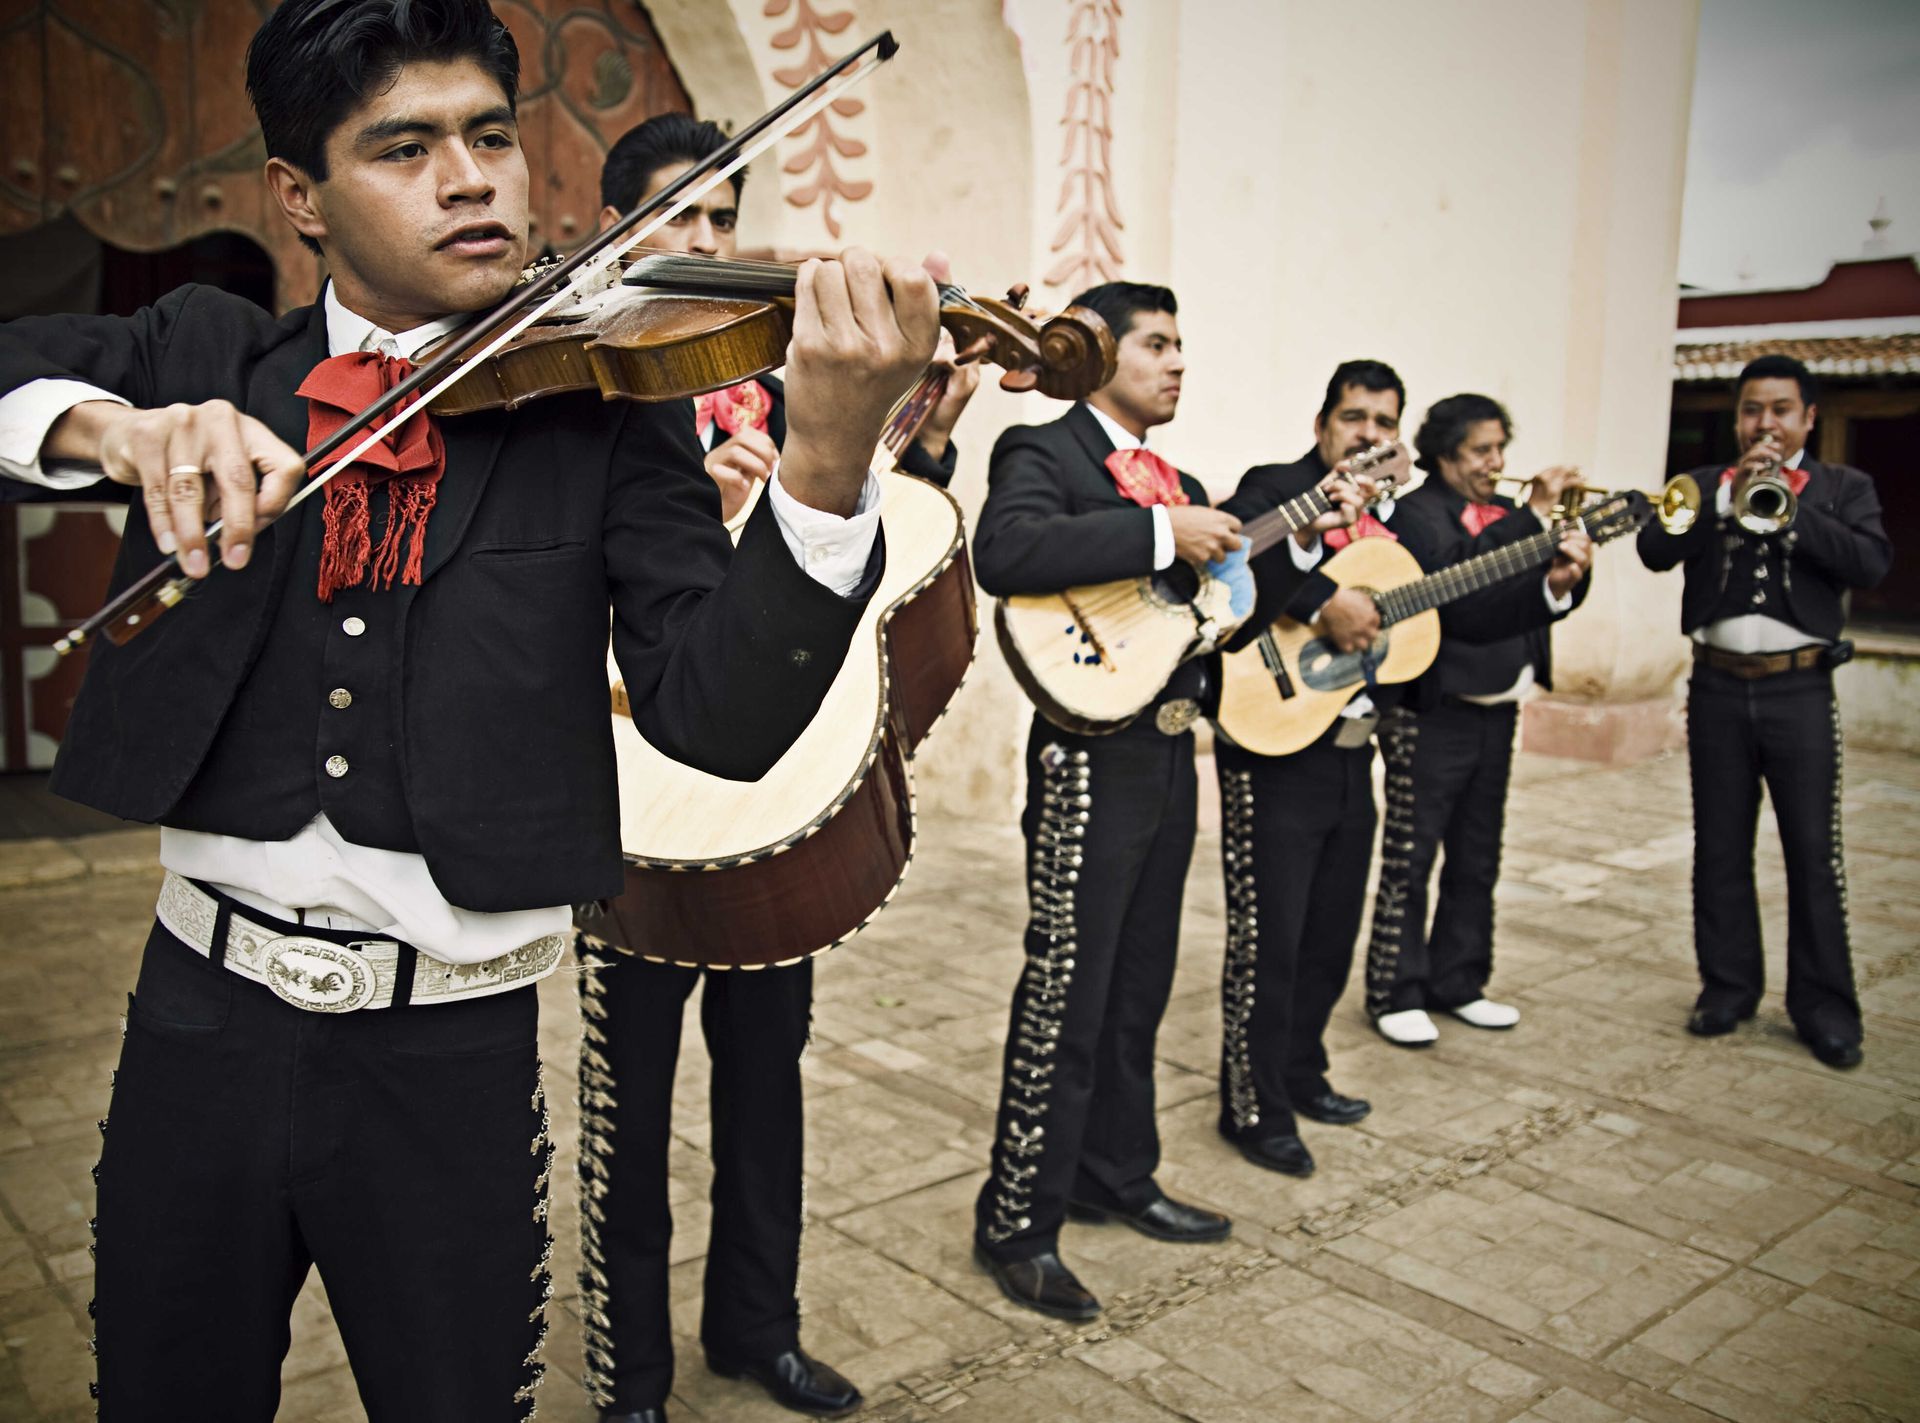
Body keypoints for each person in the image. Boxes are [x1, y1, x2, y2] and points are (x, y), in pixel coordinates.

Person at [0, 3, 939, 1416]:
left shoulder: (610, 406)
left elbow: (719, 720)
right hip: (201, 1024)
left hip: (452, 1053)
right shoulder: (205, 353)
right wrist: (114, 431)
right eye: (405, 146)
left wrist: (824, 456)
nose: (473, 176)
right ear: (298, 198)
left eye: (491, 134)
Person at [574, 112, 978, 1423]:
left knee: (769, 1079)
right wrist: (697, 478)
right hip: (630, 780)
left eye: (718, 215)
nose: (703, 242)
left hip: (772, 785)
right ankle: (629, 1371)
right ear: (621, 228)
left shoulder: (770, 370)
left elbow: (837, 575)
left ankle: (758, 1323)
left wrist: (878, 444)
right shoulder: (587, 384)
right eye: (674, 216)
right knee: (624, 1104)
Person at [968, 281, 1357, 1320]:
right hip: (1087, 756)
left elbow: (1220, 613)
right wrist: (1156, 537)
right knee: (1068, 990)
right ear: (1099, 356)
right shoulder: (1042, 452)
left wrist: (1291, 546)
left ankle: (1117, 1173)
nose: (1178, 361)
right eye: (1155, 344)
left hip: (1171, 746)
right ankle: (1018, 1220)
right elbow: (1003, 552)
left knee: (1140, 982)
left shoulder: (1181, 478)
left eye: (1183, 345)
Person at [1637, 354, 1890, 1069]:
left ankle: (1825, 1008)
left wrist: (1791, 507)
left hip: (1799, 689)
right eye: (1753, 409)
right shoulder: (1701, 485)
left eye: (1780, 409)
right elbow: (1656, 547)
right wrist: (1726, 497)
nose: (1765, 424)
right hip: (1715, 687)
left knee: (1814, 852)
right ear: (1738, 417)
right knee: (1719, 844)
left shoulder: (1845, 487)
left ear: (1808, 417)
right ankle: (1727, 987)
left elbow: (1870, 564)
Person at [1362, 394, 1593, 1048]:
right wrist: (1532, 517)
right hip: (1433, 708)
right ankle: (1395, 989)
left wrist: (1566, 577)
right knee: (1412, 853)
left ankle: (1459, 980)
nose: (1496, 462)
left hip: (1499, 705)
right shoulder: (1416, 514)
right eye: (1480, 450)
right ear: (1442, 454)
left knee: (1478, 855)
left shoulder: (1510, 515)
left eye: (1500, 448)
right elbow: (1453, 585)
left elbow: (1527, 598)